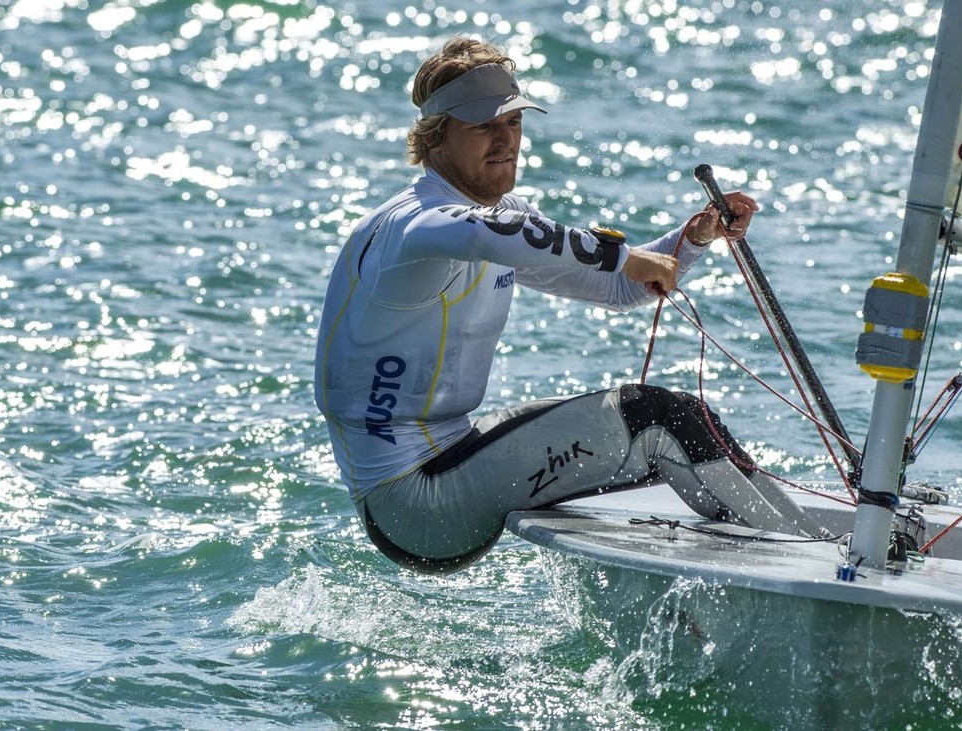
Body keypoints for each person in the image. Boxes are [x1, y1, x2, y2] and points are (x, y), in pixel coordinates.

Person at [314, 37, 825, 574]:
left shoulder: (500, 220)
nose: (506, 140)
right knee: (658, 419)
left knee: (697, 421)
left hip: (455, 460)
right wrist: (624, 256)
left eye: (513, 122)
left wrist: (692, 239)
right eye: (484, 126)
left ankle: (809, 540)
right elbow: (499, 235)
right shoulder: (415, 224)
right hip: (415, 503)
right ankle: (807, 569)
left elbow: (616, 289)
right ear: (435, 139)